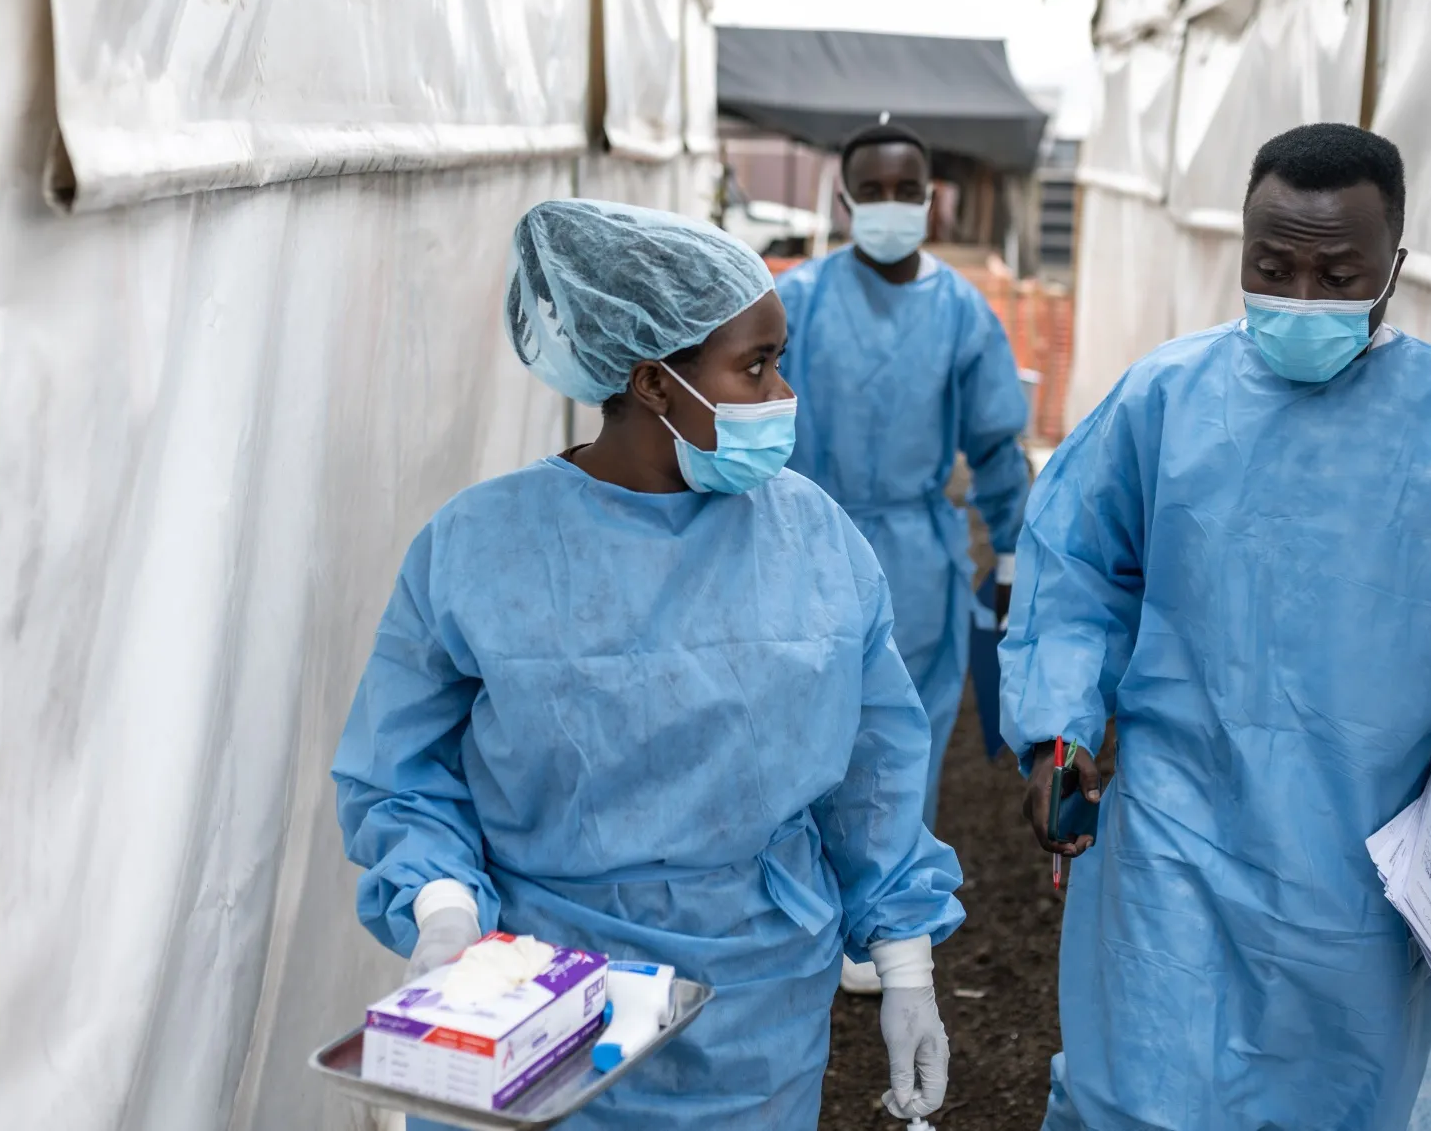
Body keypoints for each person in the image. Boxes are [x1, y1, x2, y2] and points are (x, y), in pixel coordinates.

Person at [333, 200, 962, 1130]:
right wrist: (442, 912)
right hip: (536, 997)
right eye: (755, 366)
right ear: (655, 384)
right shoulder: (479, 546)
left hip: (757, 1010)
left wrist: (906, 965)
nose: (782, 391)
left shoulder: (816, 539)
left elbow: (872, 772)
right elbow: (401, 775)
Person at [1001, 124, 1431, 1130]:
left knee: (1328, 1099)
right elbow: (1074, 573)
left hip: (1353, 867)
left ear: (1393, 267)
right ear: (1237, 249)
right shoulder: (1164, 400)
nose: (1299, 297)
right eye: (1271, 268)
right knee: (1139, 1093)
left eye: (1334, 272)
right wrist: (1061, 730)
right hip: (1170, 837)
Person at [775, 119, 1033, 992]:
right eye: (871, 191)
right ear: (845, 199)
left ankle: (885, 921)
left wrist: (1010, 552)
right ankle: (798, 901)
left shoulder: (961, 310)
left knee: (897, 738)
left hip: (917, 553)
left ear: (932, 199)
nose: (889, 206)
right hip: (801, 539)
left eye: (904, 190)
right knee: (798, 725)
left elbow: (998, 445)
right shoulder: (799, 299)